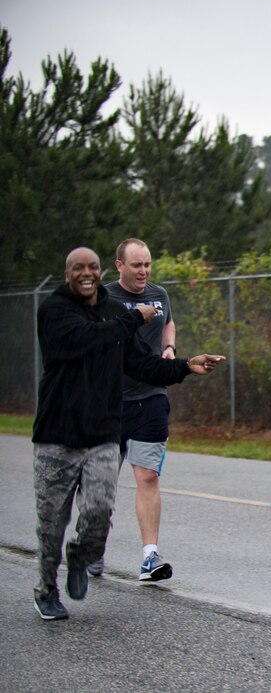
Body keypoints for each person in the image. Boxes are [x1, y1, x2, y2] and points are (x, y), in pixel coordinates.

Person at [32, 247, 223, 621]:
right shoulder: (54, 311)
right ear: (67, 273)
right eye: (78, 268)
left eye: (91, 267)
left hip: (102, 430)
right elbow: (82, 341)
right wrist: (133, 318)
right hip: (57, 433)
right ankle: (46, 590)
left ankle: (81, 556)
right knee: (52, 522)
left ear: (100, 270)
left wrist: (186, 365)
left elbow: (140, 364)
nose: (86, 274)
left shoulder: (114, 314)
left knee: (100, 511)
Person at [85, 239, 177, 582]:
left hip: (151, 397)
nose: (143, 272)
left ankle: (149, 557)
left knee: (148, 476)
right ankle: (93, 545)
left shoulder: (160, 295)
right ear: (119, 265)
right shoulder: (102, 298)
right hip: (109, 402)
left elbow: (168, 321)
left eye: (148, 265)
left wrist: (169, 347)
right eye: (137, 265)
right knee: (101, 485)